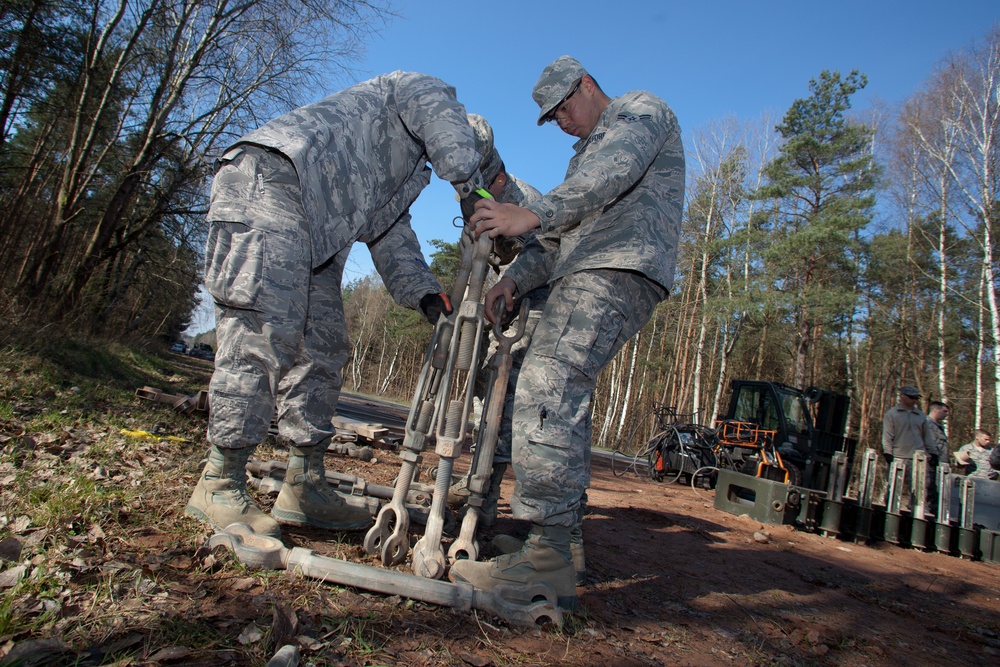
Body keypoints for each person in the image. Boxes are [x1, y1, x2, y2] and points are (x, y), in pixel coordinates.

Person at [185, 72, 490, 538]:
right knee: (265, 335)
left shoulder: (406, 171)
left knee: (324, 348)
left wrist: (426, 295)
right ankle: (219, 480)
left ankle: (303, 484)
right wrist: (474, 192)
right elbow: (448, 131)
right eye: (465, 147)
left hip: (319, 233)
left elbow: (392, 237)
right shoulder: (417, 90)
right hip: (273, 181)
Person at [449, 56, 685, 611]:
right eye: (551, 119)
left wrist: (530, 213)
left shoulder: (640, 111)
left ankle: (547, 561)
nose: (561, 123)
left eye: (562, 109)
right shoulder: (584, 161)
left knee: (548, 384)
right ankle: (561, 540)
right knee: (556, 389)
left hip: (619, 266)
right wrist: (512, 282)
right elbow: (555, 246)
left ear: (586, 85)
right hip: (586, 268)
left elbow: (611, 175)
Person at [924, 400, 950, 510]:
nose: (946, 414)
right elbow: (930, 443)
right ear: (935, 410)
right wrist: (933, 457)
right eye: (944, 411)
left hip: (938, 466)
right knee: (927, 491)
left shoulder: (938, 426)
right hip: (930, 465)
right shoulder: (928, 424)